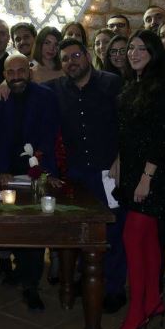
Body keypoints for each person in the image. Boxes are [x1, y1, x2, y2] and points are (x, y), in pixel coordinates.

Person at [46, 38, 126, 313]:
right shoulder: (55, 89)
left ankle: (114, 289)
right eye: (65, 58)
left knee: (112, 232)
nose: (71, 62)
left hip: (108, 172)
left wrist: (121, 158)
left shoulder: (112, 83)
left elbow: (128, 123)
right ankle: (86, 279)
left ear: (88, 56)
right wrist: (4, 83)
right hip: (76, 174)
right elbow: (25, 88)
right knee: (81, 230)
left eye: (76, 55)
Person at [107, 30, 165, 329]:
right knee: (147, 243)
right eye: (131, 48)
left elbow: (162, 137)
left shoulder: (162, 87)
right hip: (132, 170)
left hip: (151, 174)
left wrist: (147, 178)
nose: (133, 53)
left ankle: (137, 312)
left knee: (132, 239)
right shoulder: (131, 83)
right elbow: (127, 131)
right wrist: (118, 160)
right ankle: (153, 301)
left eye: (141, 49)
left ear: (154, 53)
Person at [0, 54, 60, 311]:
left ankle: (31, 284)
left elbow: (50, 136)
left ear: (29, 72)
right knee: (12, 226)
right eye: (11, 72)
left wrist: (43, 171)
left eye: (21, 71)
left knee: (34, 229)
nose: (16, 76)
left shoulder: (46, 96)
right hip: (8, 174)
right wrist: (2, 171)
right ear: (4, 75)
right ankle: (19, 270)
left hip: (38, 172)